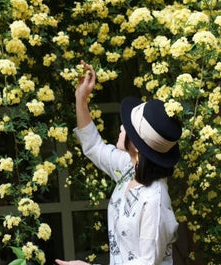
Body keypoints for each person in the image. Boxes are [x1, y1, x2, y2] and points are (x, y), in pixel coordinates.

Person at [56, 61, 182, 265]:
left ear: (138, 146)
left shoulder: (154, 199)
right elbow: (94, 147)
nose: (122, 127)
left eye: (129, 128)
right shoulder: (128, 168)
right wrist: (81, 99)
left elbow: (148, 262)